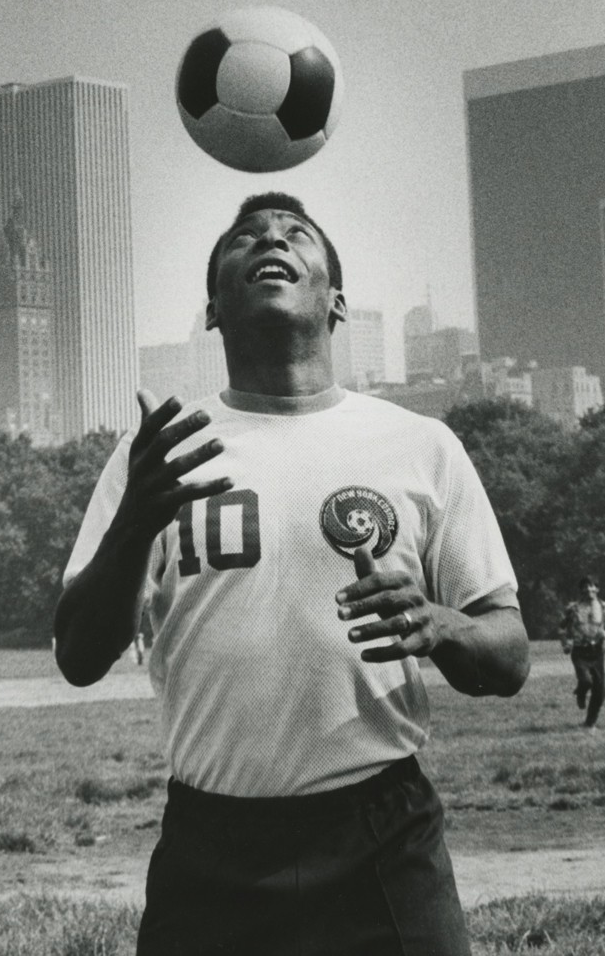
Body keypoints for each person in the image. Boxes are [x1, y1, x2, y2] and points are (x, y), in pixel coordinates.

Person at [54, 192, 529, 956]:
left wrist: (442, 624)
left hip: (381, 833)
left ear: (336, 300)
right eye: (244, 238)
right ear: (212, 308)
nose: (270, 239)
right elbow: (78, 655)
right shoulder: (160, 452)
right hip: (211, 846)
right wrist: (137, 517)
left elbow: (509, 657)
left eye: (295, 235)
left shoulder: (420, 444)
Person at [558, 575, 605, 728]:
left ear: (597, 589)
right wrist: (565, 644)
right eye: (585, 587)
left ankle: (589, 723)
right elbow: (561, 628)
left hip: (597, 651)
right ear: (581, 590)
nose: (589, 589)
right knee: (585, 681)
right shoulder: (573, 608)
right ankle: (581, 692)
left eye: (592, 586)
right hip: (579, 651)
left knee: (600, 691)